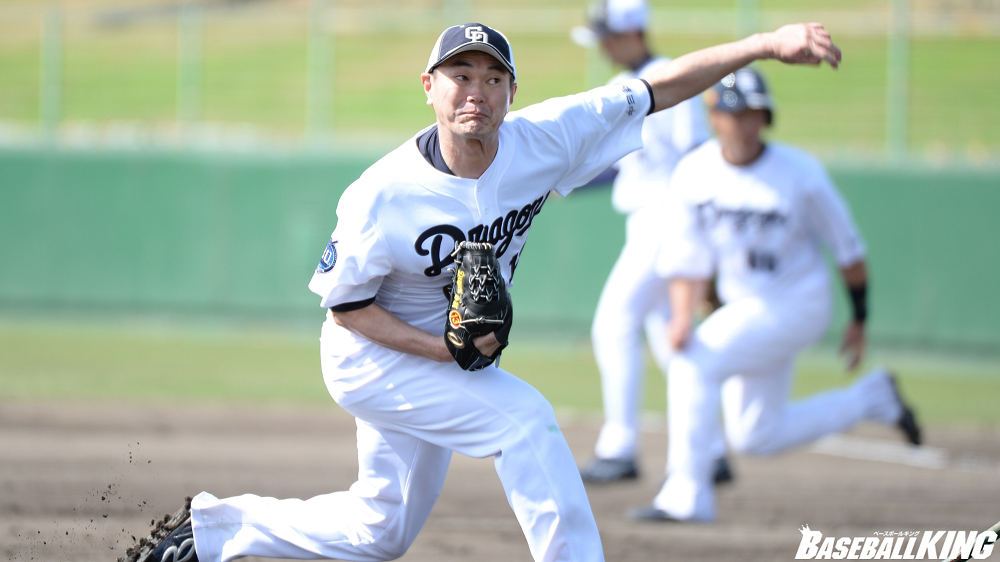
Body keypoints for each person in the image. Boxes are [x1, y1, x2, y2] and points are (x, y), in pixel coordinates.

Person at [136, 21, 843, 562]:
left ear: (511, 91)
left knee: (378, 531)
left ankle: (210, 534)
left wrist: (766, 43)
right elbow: (346, 307)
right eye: (459, 75)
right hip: (372, 357)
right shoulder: (382, 194)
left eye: (491, 77)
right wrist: (441, 351)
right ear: (429, 88)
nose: (475, 90)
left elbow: (659, 89)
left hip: (448, 354)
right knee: (524, 421)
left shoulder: (549, 137)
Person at [627, 67, 921, 523]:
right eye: (733, 113)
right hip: (745, 307)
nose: (743, 124)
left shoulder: (799, 173)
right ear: (714, 116)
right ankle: (872, 399)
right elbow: (687, 257)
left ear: (767, 119)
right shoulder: (695, 171)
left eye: (754, 114)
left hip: (797, 303)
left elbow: (849, 250)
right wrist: (682, 315)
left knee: (692, 361)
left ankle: (687, 494)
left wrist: (859, 318)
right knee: (755, 434)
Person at [569, 0, 721, 485]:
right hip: (648, 219)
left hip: (669, 219)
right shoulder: (623, 86)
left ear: (633, 32)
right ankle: (709, 448)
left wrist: (703, 230)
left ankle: (620, 446)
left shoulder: (671, 78)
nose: (605, 46)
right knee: (666, 337)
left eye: (610, 36)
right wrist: (560, 180)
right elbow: (620, 165)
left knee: (613, 324)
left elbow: (697, 152)